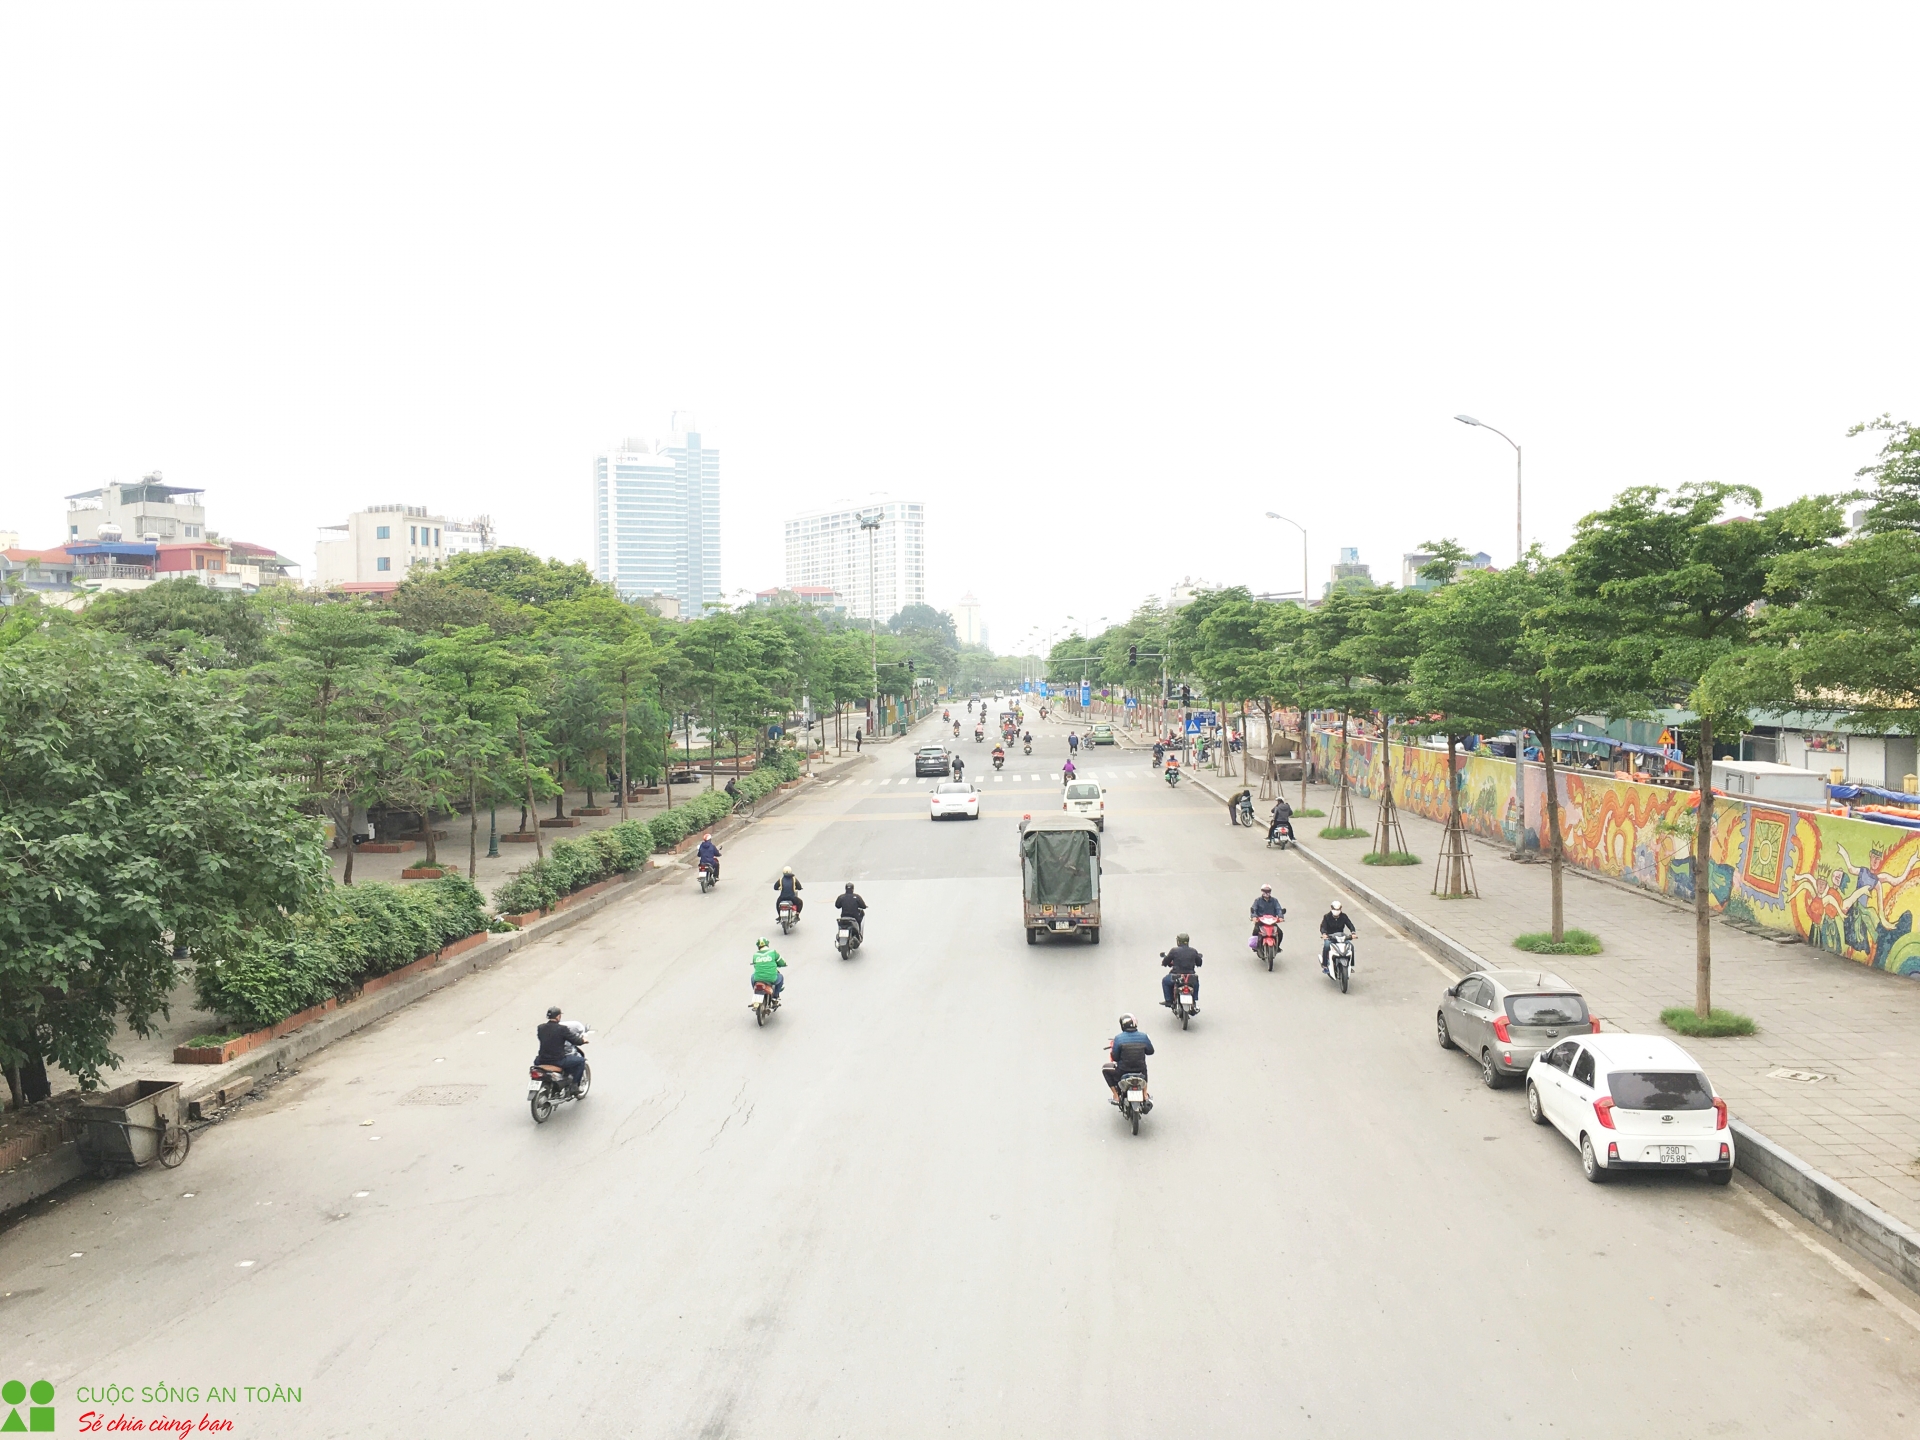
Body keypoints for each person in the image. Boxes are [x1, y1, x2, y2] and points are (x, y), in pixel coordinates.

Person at [1102, 1013, 1154, 1104]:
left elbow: (1115, 1057)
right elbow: (1150, 1051)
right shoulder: (1144, 1037)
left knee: (1105, 1069)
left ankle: (1116, 1095)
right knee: (1144, 1068)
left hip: (1122, 1071)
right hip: (1140, 1071)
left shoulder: (1118, 1038)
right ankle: (1145, 1094)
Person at [534, 1006, 586, 1092]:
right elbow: (574, 1040)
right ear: (558, 1016)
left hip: (541, 1060)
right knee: (581, 1061)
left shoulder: (540, 1028)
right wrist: (583, 1040)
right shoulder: (562, 1029)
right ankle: (574, 1086)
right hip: (557, 1060)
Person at [1160, 932, 1202, 1012]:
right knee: (1196, 982)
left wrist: (1165, 963)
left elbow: (1166, 961)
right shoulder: (1193, 951)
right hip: (1190, 977)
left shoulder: (1174, 951)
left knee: (1165, 981)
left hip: (1177, 976)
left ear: (1178, 941)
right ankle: (1195, 999)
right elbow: (1199, 963)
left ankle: (1168, 1000)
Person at [1319, 899, 1357, 974]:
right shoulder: (1327, 917)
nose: (1336, 910)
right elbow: (1323, 927)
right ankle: (1325, 965)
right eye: (1335, 909)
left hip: (1341, 937)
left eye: (1338, 909)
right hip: (1330, 937)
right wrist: (1324, 934)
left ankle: (1350, 965)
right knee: (1326, 946)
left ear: (1341, 909)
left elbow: (1350, 924)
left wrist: (1353, 933)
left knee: (1351, 946)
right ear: (1331, 908)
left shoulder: (1344, 916)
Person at [749, 937, 786, 1004]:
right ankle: (775, 997)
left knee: (752, 977)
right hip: (772, 979)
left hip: (758, 979)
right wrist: (784, 964)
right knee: (780, 977)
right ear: (767, 944)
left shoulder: (755, 955)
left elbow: (755, 966)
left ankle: (756, 993)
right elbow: (782, 962)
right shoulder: (773, 952)